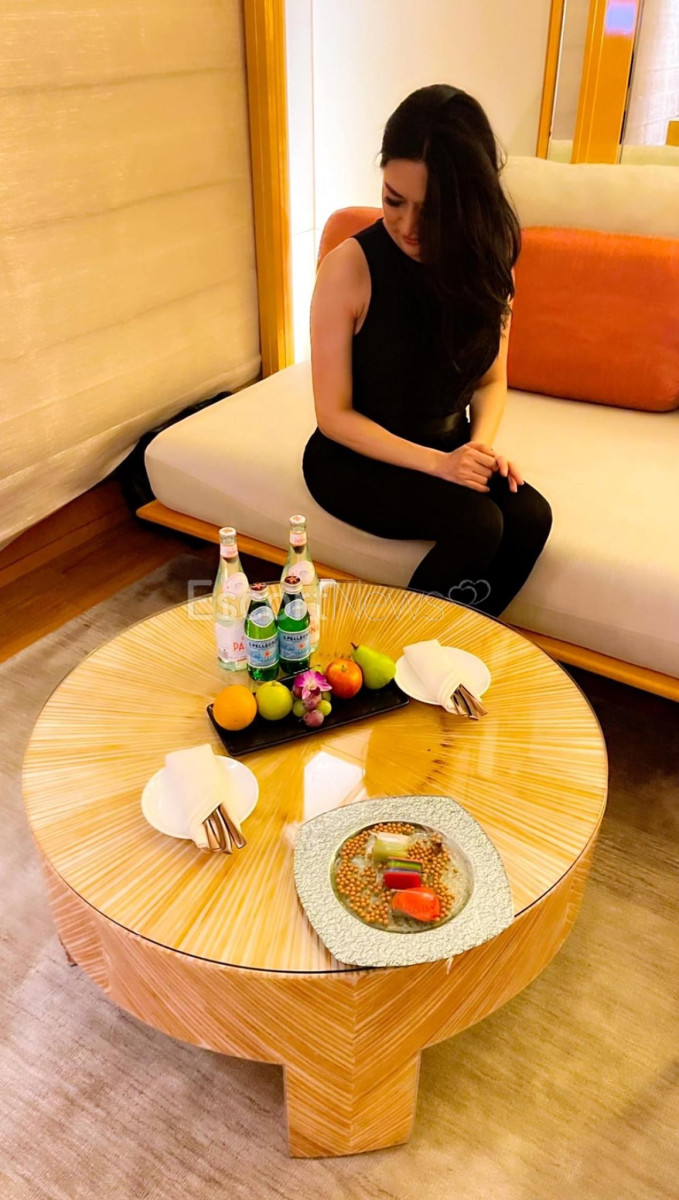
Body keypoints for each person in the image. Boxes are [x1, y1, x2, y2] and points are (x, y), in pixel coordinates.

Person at [302, 84, 553, 617]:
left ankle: (455, 644)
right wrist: (440, 466)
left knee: (532, 517)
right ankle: (400, 650)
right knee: (477, 523)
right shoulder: (350, 268)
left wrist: (478, 452)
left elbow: (491, 382)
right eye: (393, 200)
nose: (409, 227)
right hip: (354, 458)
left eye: (432, 209)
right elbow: (333, 415)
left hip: (448, 445)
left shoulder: (490, 264)